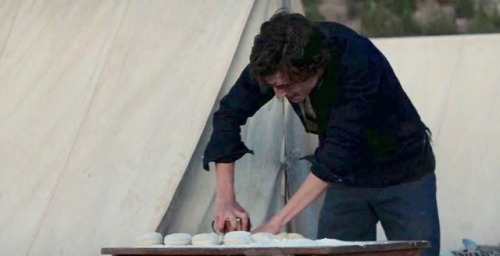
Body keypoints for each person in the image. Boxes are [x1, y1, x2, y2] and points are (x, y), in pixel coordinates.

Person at [202, 10, 440, 256]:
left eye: (287, 86)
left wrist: (274, 224)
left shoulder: (358, 61)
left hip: (404, 172)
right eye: (273, 86)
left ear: (315, 70)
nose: (279, 94)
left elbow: (336, 153)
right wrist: (225, 199)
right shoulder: (276, 57)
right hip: (346, 179)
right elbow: (228, 115)